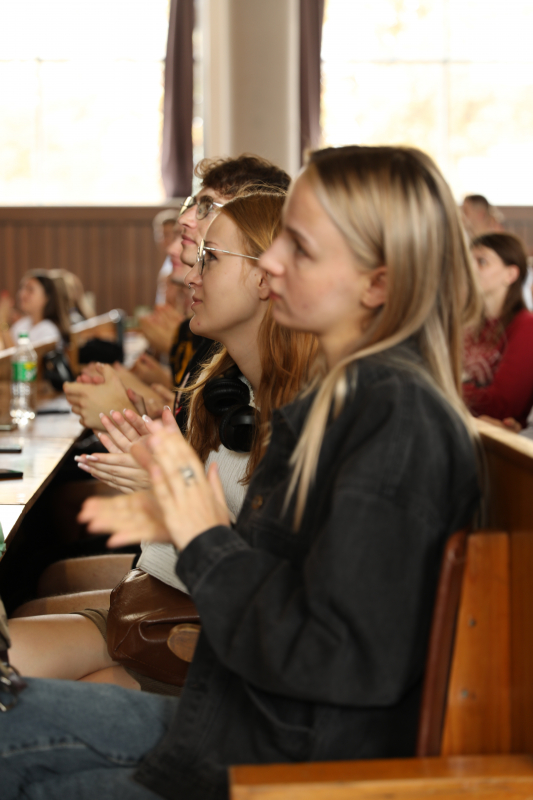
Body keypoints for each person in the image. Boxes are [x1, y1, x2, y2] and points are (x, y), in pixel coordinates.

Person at [1, 145, 481, 800]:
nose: (271, 264)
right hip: (227, 728)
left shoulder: (394, 422)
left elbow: (337, 663)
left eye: (300, 249)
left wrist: (199, 525)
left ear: (379, 284)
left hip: (274, 769)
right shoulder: (345, 402)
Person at [7, 192, 316, 691]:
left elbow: (273, 576)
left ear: (267, 275)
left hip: (209, 641)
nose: (189, 274)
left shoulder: (309, 409)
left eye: (209, 258)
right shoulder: (232, 389)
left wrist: (166, 484)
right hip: (165, 603)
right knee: (13, 643)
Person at [63, 154, 291, 430]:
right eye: (192, 205)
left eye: (206, 207)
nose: (183, 219)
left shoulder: (277, 371)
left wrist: (124, 419)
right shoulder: (217, 342)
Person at [463, 232, 533, 426]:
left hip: (496, 445)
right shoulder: (467, 323)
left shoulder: (527, 325)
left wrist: (444, 387)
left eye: (482, 261)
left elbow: (502, 405)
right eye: (468, 261)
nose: (470, 268)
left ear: (510, 274)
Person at [7, 270, 70, 347]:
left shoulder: (48, 331)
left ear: (46, 297)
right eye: (22, 288)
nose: (22, 294)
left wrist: (3, 324)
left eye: (30, 290)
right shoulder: (22, 324)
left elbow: (19, 357)